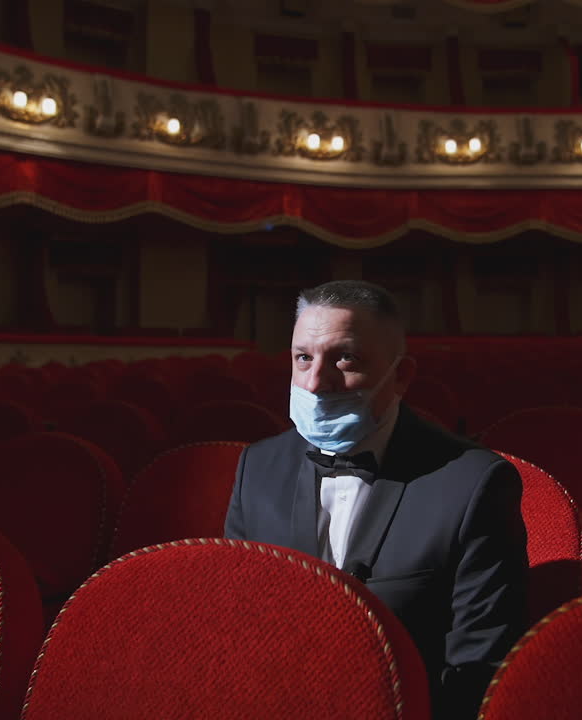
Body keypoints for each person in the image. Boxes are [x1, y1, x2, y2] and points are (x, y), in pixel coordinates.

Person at [224, 280, 528, 720]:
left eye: (345, 358)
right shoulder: (257, 468)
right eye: (303, 358)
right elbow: (238, 628)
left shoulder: (473, 484)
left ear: (401, 375)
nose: (316, 383)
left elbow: (478, 667)